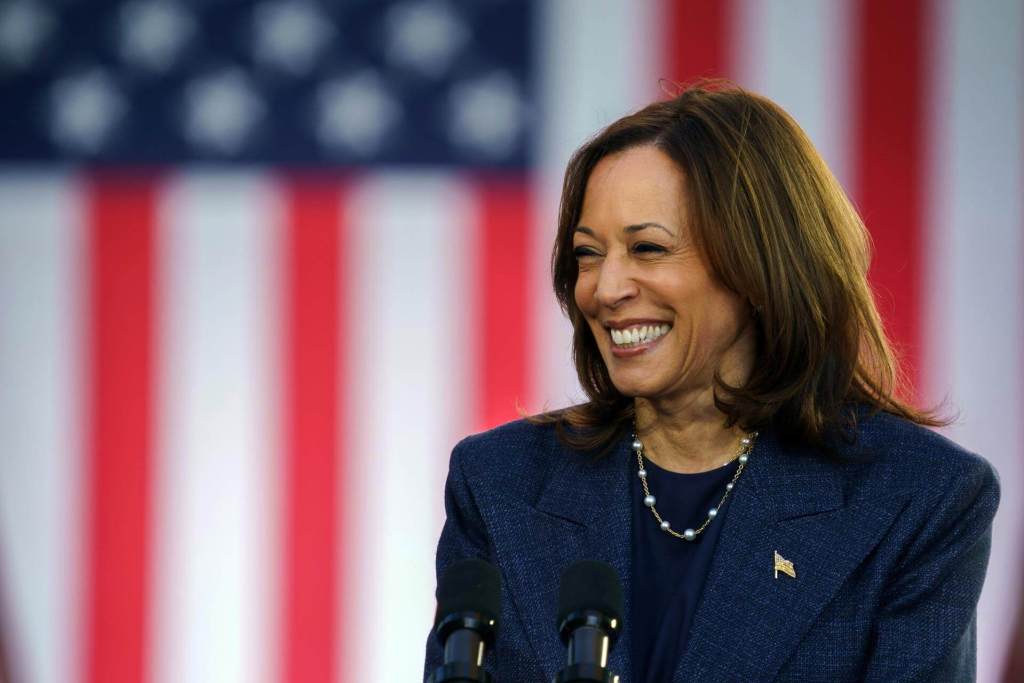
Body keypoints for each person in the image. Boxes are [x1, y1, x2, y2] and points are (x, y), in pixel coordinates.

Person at [423, 84, 1000, 682]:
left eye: (647, 248)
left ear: (760, 265)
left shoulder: (918, 497)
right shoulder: (500, 482)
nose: (605, 288)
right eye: (588, 254)